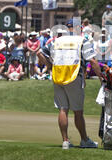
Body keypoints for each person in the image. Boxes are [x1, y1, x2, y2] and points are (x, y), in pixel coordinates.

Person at [41, 18, 104, 150]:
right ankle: (84, 140)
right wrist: (101, 78)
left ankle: (65, 141)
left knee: (63, 109)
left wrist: (50, 67)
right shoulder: (82, 40)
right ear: (77, 28)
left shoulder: (57, 41)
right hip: (74, 76)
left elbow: (40, 53)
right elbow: (92, 61)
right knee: (78, 112)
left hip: (58, 76)